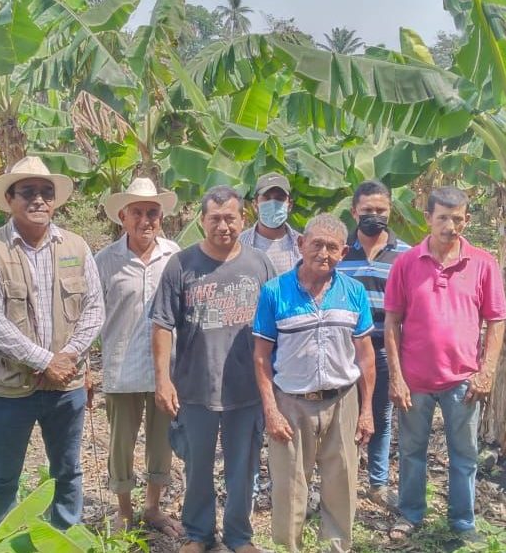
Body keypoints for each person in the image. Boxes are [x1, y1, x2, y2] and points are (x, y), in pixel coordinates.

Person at [0, 156, 104, 529]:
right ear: (10, 199)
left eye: (46, 192)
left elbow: (94, 309)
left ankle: (64, 534)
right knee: (2, 476)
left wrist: (69, 356)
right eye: (27, 192)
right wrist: (46, 360)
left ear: (55, 200)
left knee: (68, 471)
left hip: (67, 386)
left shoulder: (76, 246)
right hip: (11, 388)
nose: (38, 200)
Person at [150, 185, 276, 553]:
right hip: (195, 388)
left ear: (243, 219)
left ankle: (239, 536)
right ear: (202, 221)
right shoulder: (181, 264)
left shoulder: (259, 264)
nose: (224, 226)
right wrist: (163, 380)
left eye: (230, 218)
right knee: (197, 468)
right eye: (215, 219)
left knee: (243, 471)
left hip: (245, 389)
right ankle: (198, 534)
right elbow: (161, 324)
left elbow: (273, 327)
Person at [383, 186, 506, 540]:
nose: (449, 226)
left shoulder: (483, 263)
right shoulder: (406, 263)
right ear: (428, 219)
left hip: (463, 380)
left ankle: (462, 522)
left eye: (457, 218)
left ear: (466, 220)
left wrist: (488, 372)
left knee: (464, 455)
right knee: (411, 452)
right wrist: (396, 377)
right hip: (415, 379)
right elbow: (392, 322)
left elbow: (496, 320)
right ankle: (409, 515)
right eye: (442, 218)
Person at [252, 214, 376, 553]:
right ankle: (287, 547)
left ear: (344, 252)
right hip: (292, 402)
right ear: (301, 244)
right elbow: (262, 357)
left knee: (342, 482)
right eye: (317, 244)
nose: (323, 253)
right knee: (290, 486)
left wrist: (366, 411)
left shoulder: (353, 293)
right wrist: (271, 410)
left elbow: (365, 356)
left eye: (332, 247)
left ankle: (336, 547)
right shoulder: (274, 292)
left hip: (342, 400)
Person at [94, 177, 183, 536]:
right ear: (122, 216)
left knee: (161, 444)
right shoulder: (105, 260)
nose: (145, 220)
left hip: (166, 371)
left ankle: (152, 508)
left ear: (161, 217)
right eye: (137, 213)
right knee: (121, 443)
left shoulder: (174, 256)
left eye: (152, 212)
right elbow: (91, 314)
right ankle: (125, 510)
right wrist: (87, 367)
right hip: (121, 366)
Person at [335, 180, 410, 509]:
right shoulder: (339, 250)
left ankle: (377, 483)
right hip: (341, 347)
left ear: (390, 211)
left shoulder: (405, 255)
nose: (374, 216)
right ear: (354, 212)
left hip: (383, 346)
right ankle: (341, 482)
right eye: (367, 211)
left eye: (380, 210)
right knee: (340, 417)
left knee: (379, 414)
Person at [238, 172, 302, 275]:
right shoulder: (239, 244)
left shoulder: (303, 244)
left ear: (289, 205)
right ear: (255, 205)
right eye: (267, 198)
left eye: (279, 198)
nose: (273, 203)